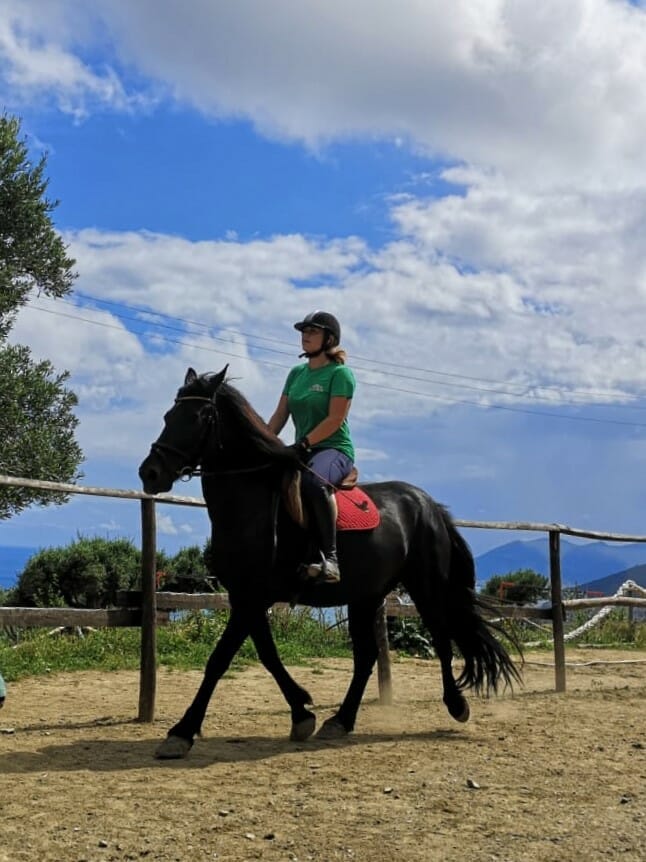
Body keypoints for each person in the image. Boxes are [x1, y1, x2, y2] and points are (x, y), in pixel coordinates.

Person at [268, 311, 356, 583]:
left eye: (313, 331)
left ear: (329, 339)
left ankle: (331, 558)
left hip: (333, 449)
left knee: (313, 484)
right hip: (301, 449)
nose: (305, 336)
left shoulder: (340, 374)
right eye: (303, 331)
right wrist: (264, 444)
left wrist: (304, 442)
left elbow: (335, 419)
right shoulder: (296, 374)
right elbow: (280, 415)